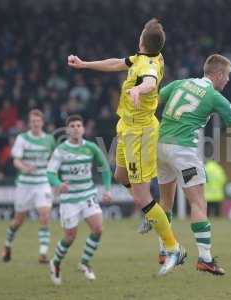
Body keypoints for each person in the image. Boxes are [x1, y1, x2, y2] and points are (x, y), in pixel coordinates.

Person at [145, 54, 231, 275]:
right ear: (218, 74)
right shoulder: (213, 96)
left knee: (166, 202)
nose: (228, 81)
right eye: (227, 76)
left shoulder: (180, 83)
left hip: (161, 147)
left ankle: (164, 251)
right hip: (183, 151)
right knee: (199, 204)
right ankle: (205, 259)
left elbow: (151, 100)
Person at [67, 18, 185, 276]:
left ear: (142, 40)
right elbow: (116, 63)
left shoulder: (150, 64)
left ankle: (173, 247)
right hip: (126, 127)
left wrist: (139, 91)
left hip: (140, 133)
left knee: (142, 197)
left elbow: (151, 81)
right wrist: (85, 64)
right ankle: (152, 212)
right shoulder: (146, 57)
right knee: (121, 176)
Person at [47, 115, 112, 285]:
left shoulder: (91, 147)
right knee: (70, 237)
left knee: (98, 228)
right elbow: (50, 173)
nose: (76, 128)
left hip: (88, 195)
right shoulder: (61, 150)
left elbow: (104, 167)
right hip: (69, 199)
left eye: (79, 125)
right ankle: (55, 262)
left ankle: (84, 263)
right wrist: (58, 183)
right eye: (72, 126)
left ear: (83, 129)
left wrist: (107, 189)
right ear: (68, 130)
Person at [1, 109, 55, 264]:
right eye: (33, 121)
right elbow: (16, 160)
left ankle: (43, 253)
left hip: (42, 183)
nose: (36, 124)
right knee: (18, 221)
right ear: (29, 123)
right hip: (25, 184)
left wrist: (56, 179)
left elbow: (54, 160)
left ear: (42, 122)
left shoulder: (50, 139)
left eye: (38, 121)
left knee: (44, 216)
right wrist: (24, 167)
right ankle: (7, 245)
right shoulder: (22, 138)